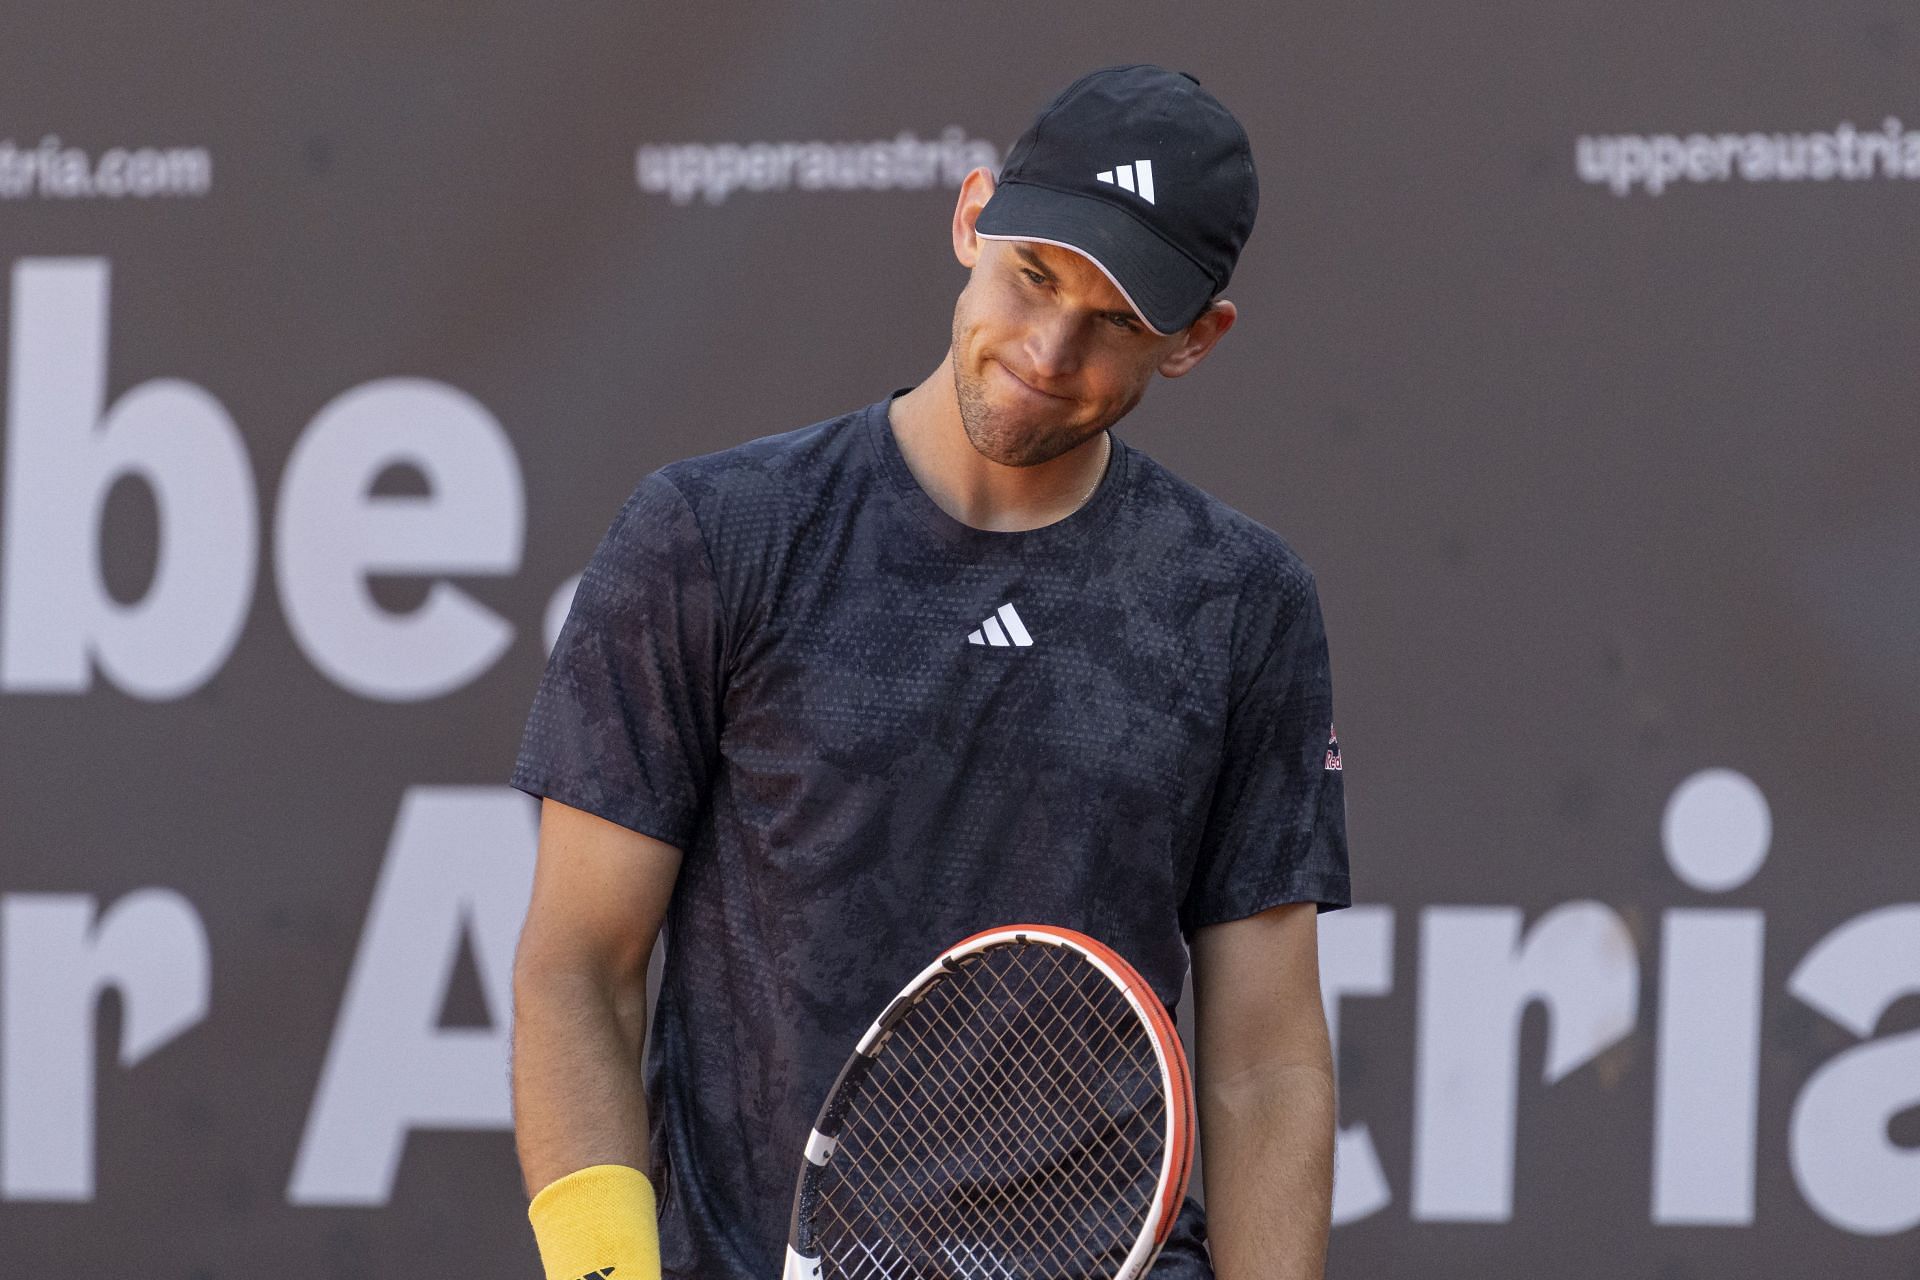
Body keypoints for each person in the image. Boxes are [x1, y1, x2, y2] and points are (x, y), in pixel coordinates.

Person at [508, 63, 1349, 1280]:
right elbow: (577, 964)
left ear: (1195, 340)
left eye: (1115, 320)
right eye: (1035, 275)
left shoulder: (1243, 601)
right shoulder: (713, 534)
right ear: (972, 217)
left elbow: (1266, 1057)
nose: (1051, 348)